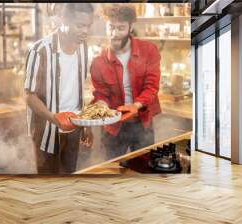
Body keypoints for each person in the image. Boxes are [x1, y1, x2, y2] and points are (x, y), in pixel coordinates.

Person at [24, 3, 94, 174]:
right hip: (47, 130)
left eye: (88, 26)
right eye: (80, 25)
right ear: (64, 20)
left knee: (69, 175)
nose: (85, 31)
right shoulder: (40, 50)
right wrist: (54, 118)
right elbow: (29, 95)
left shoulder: (84, 48)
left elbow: (80, 89)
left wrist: (86, 123)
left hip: (75, 127)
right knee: (48, 182)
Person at [90, 4, 161, 159]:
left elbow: (152, 87)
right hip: (114, 127)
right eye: (111, 27)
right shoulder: (98, 61)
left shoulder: (149, 50)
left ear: (130, 27)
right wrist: (101, 105)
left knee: (145, 169)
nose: (114, 34)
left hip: (142, 123)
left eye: (120, 28)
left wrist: (135, 106)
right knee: (112, 171)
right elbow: (101, 93)